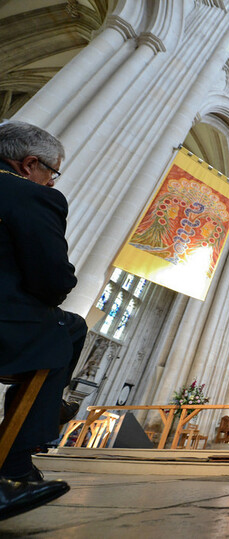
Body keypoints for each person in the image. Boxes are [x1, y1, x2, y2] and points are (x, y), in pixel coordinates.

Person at [0, 120, 89, 518]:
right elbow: (53, 280)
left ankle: (45, 412)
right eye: (52, 172)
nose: (52, 181)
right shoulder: (30, 195)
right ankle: (14, 464)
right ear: (29, 164)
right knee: (67, 329)